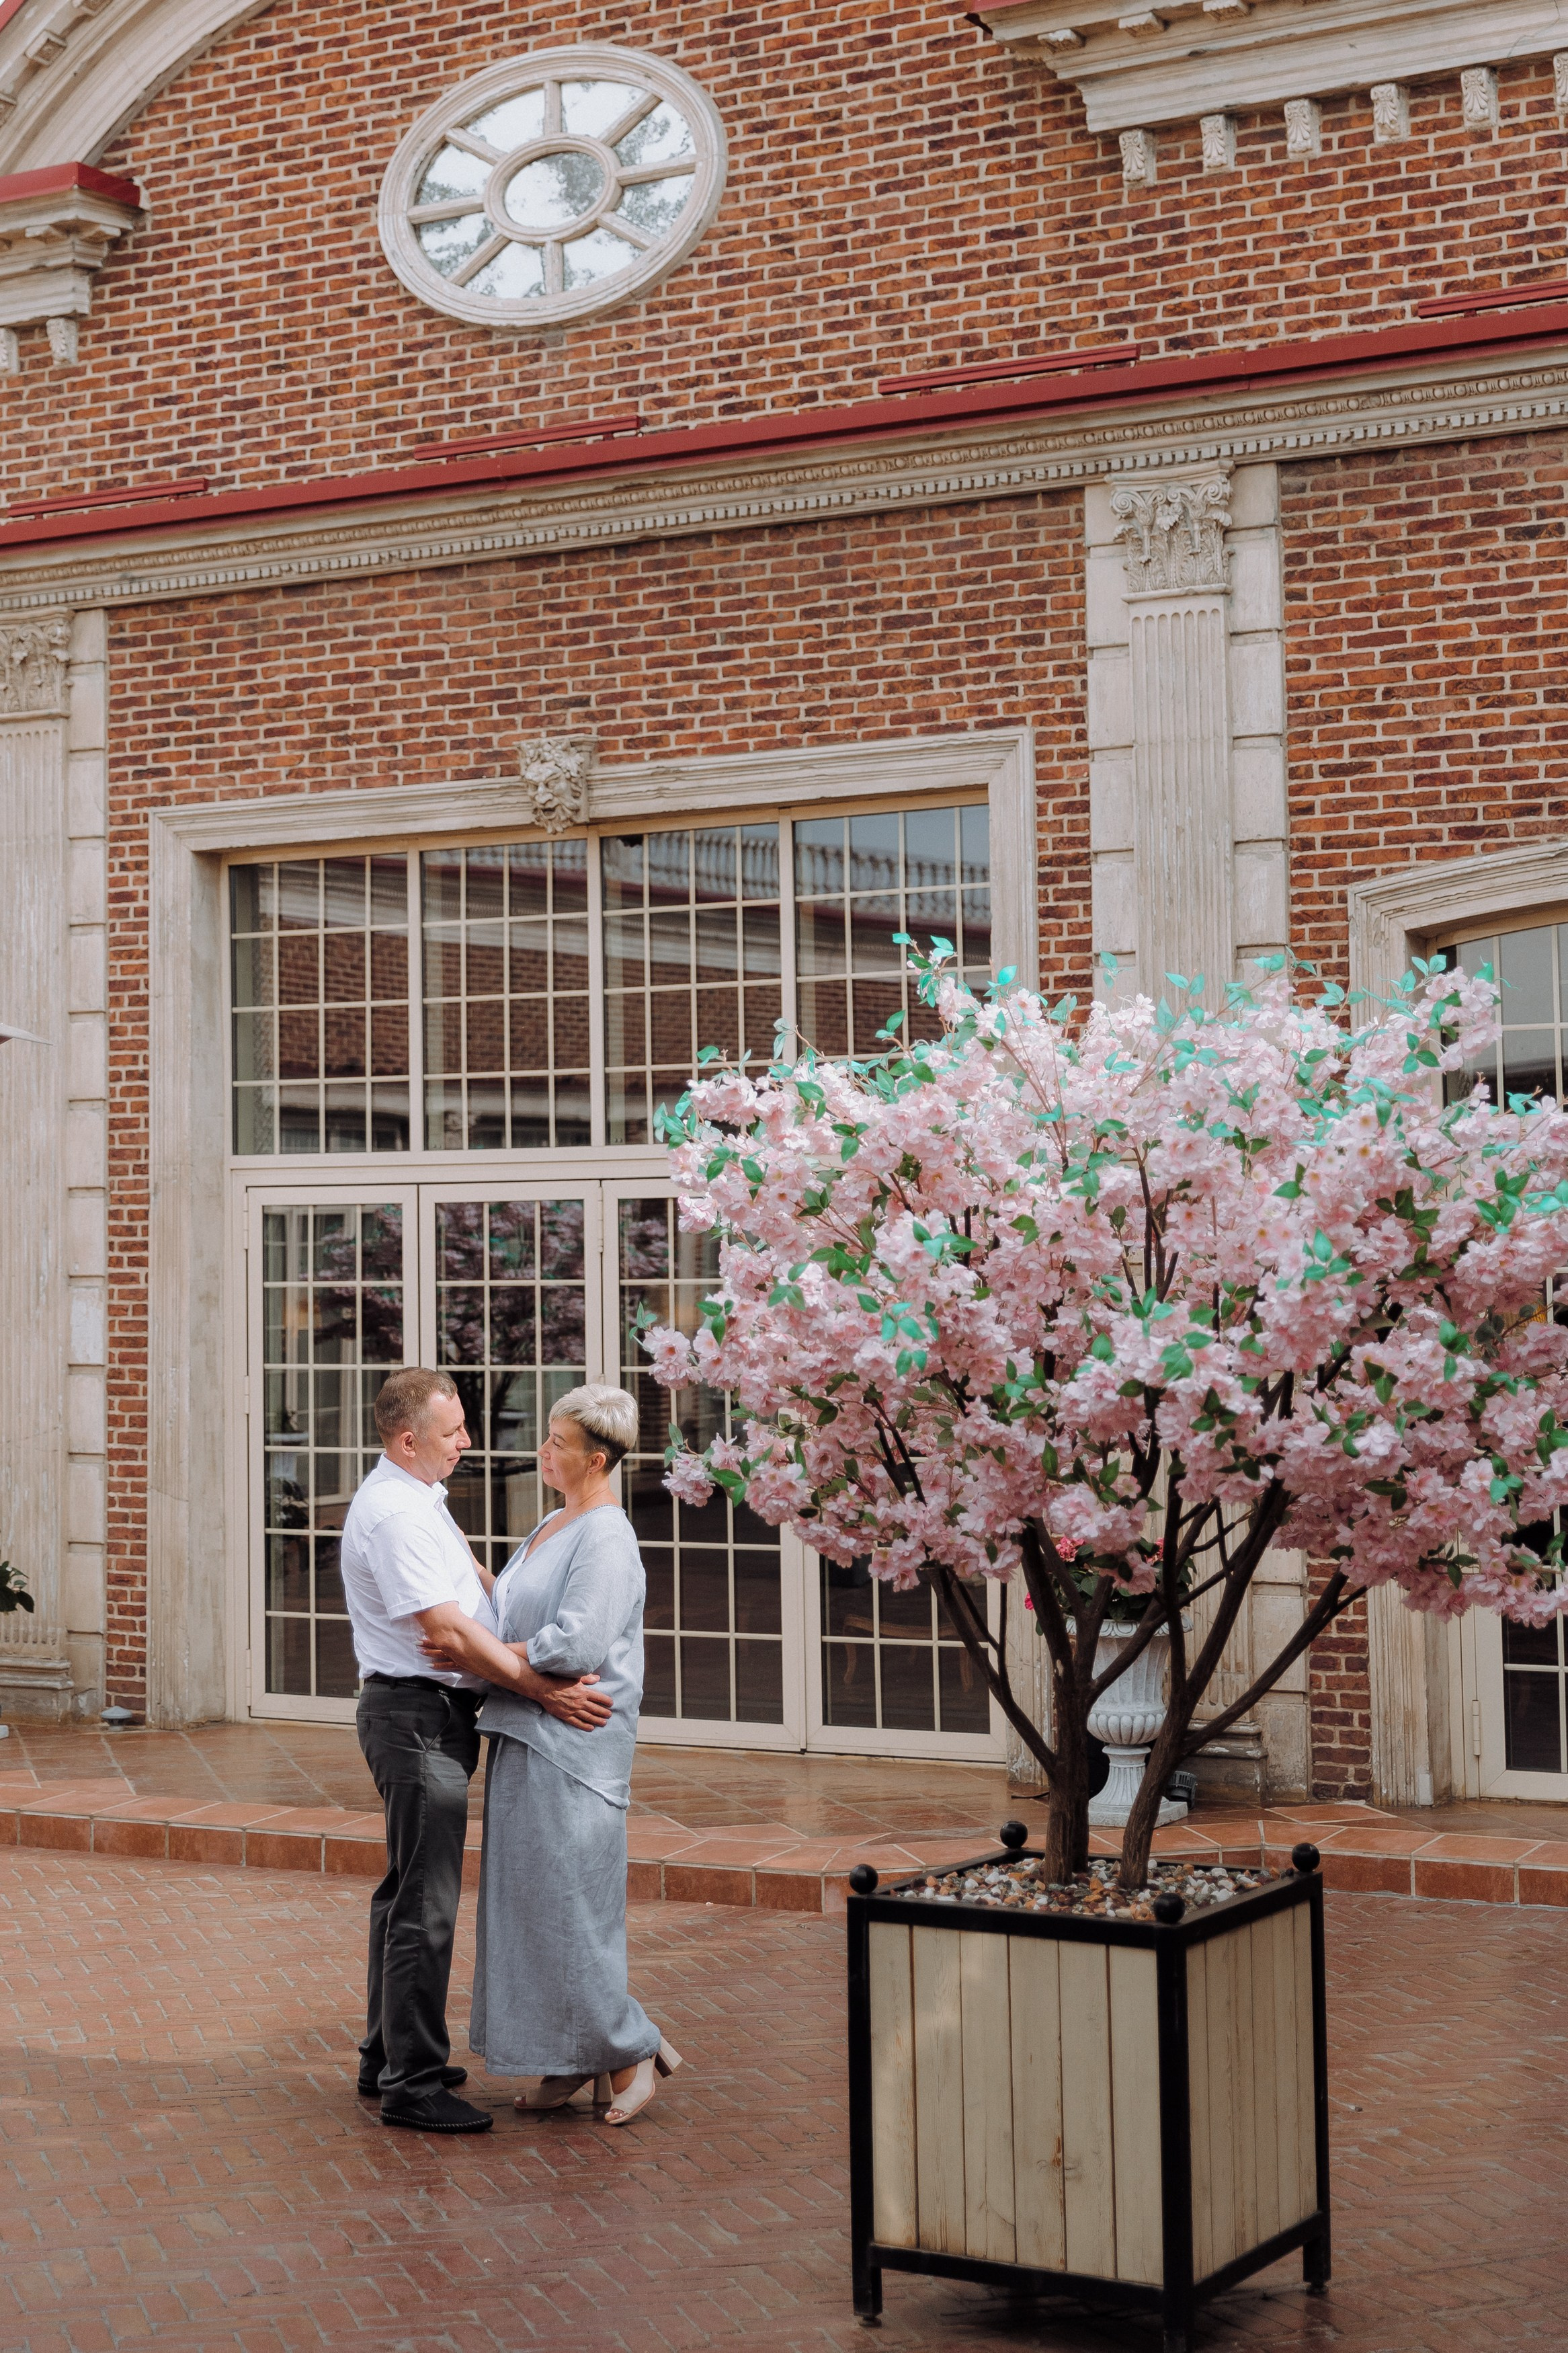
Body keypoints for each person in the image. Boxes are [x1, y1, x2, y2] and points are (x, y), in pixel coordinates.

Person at [341, 1367, 612, 2135]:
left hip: (430, 1714)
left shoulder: (420, 1498)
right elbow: (448, 1632)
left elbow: (474, 1594)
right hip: (416, 1719)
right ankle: (413, 2085)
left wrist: (508, 1630)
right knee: (424, 1907)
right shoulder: (394, 1515)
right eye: (452, 1431)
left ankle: (386, 2056)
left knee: (404, 1894)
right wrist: (544, 1689)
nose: (467, 1441)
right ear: (408, 1441)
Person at [418, 1384, 682, 2127]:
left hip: (573, 1747)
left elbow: (577, 1642)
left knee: (569, 1908)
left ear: (596, 1459)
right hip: (524, 1733)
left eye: (558, 1443)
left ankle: (631, 2051)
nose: (542, 1451)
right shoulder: (554, 1521)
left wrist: (481, 1650)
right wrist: (467, 1573)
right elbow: (513, 1606)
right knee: (529, 1909)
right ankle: (570, 2057)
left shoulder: (607, 1536)